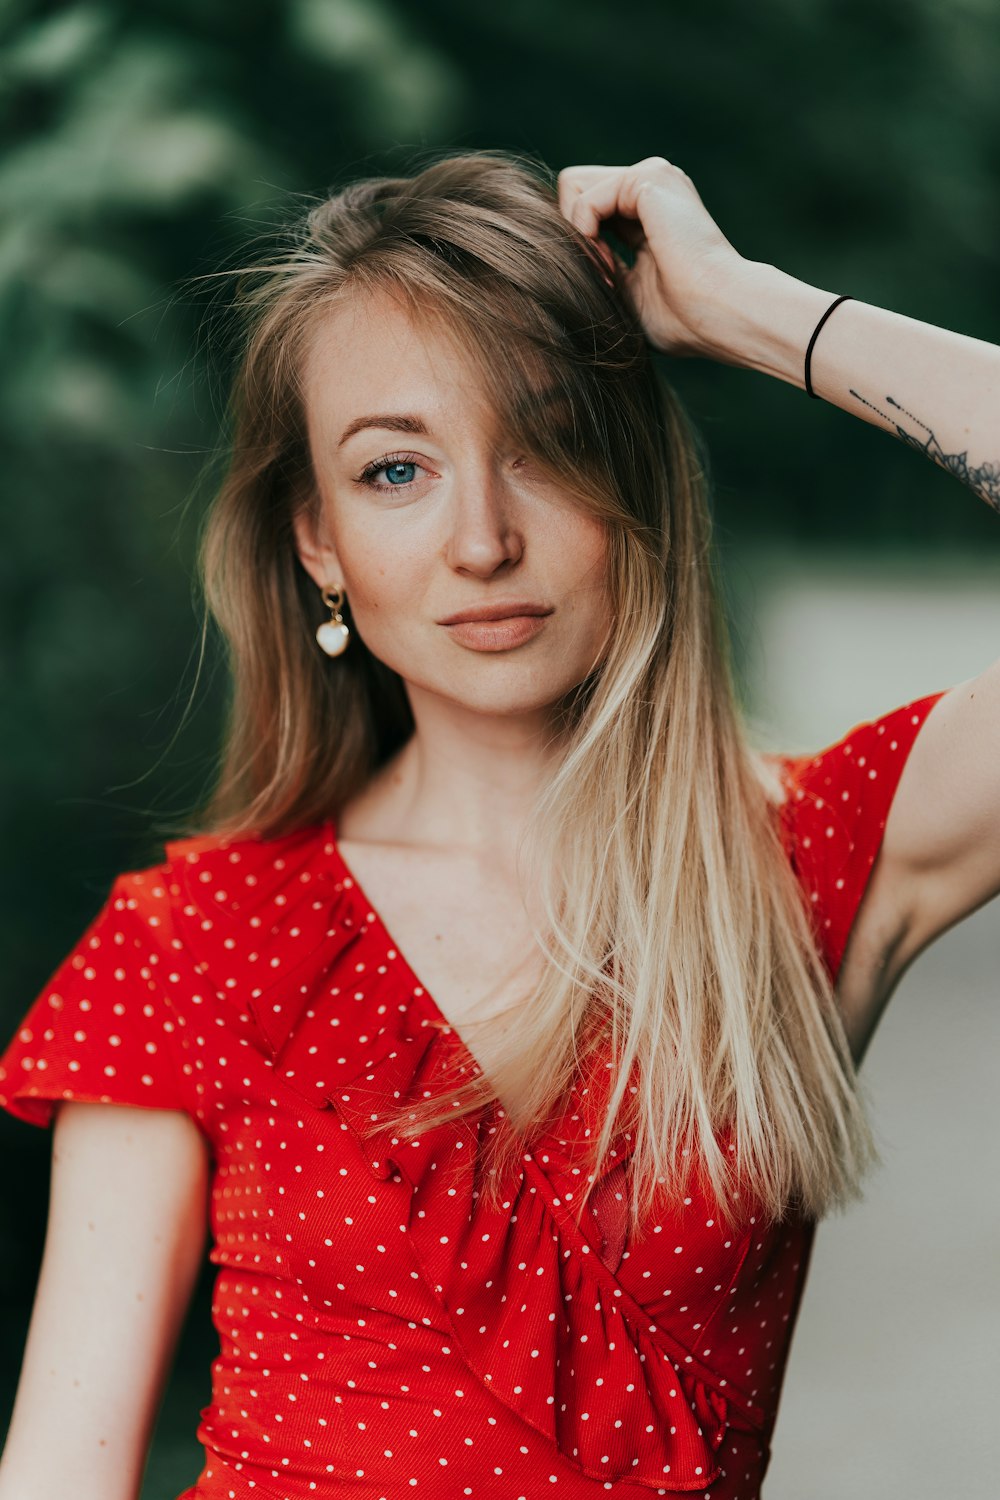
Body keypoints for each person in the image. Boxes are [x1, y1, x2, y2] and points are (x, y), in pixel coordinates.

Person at [0, 149, 996, 1500]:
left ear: (631, 482)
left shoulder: (811, 854)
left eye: (543, 443)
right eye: (396, 471)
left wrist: (750, 312)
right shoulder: (193, 948)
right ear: (317, 543)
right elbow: (64, 1470)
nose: (480, 538)